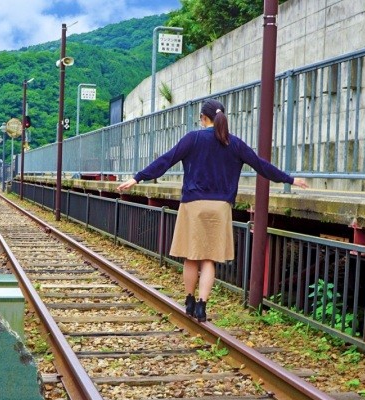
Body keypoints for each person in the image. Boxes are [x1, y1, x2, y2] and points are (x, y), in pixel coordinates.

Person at [117, 99, 308, 322]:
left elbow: (166, 160)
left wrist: (137, 178)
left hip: (193, 206)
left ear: (203, 118)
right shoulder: (233, 143)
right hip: (220, 208)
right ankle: (202, 306)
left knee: (191, 257)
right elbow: (260, 165)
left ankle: (188, 300)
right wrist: (290, 179)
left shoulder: (193, 138)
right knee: (209, 260)